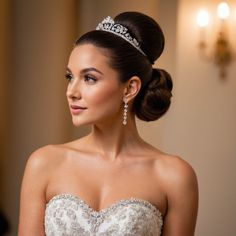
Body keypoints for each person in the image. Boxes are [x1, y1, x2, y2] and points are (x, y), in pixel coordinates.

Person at [18, 11, 198, 236]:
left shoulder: (174, 176)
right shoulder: (44, 163)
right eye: (70, 77)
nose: (71, 92)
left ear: (130, 88)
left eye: (89, 78)